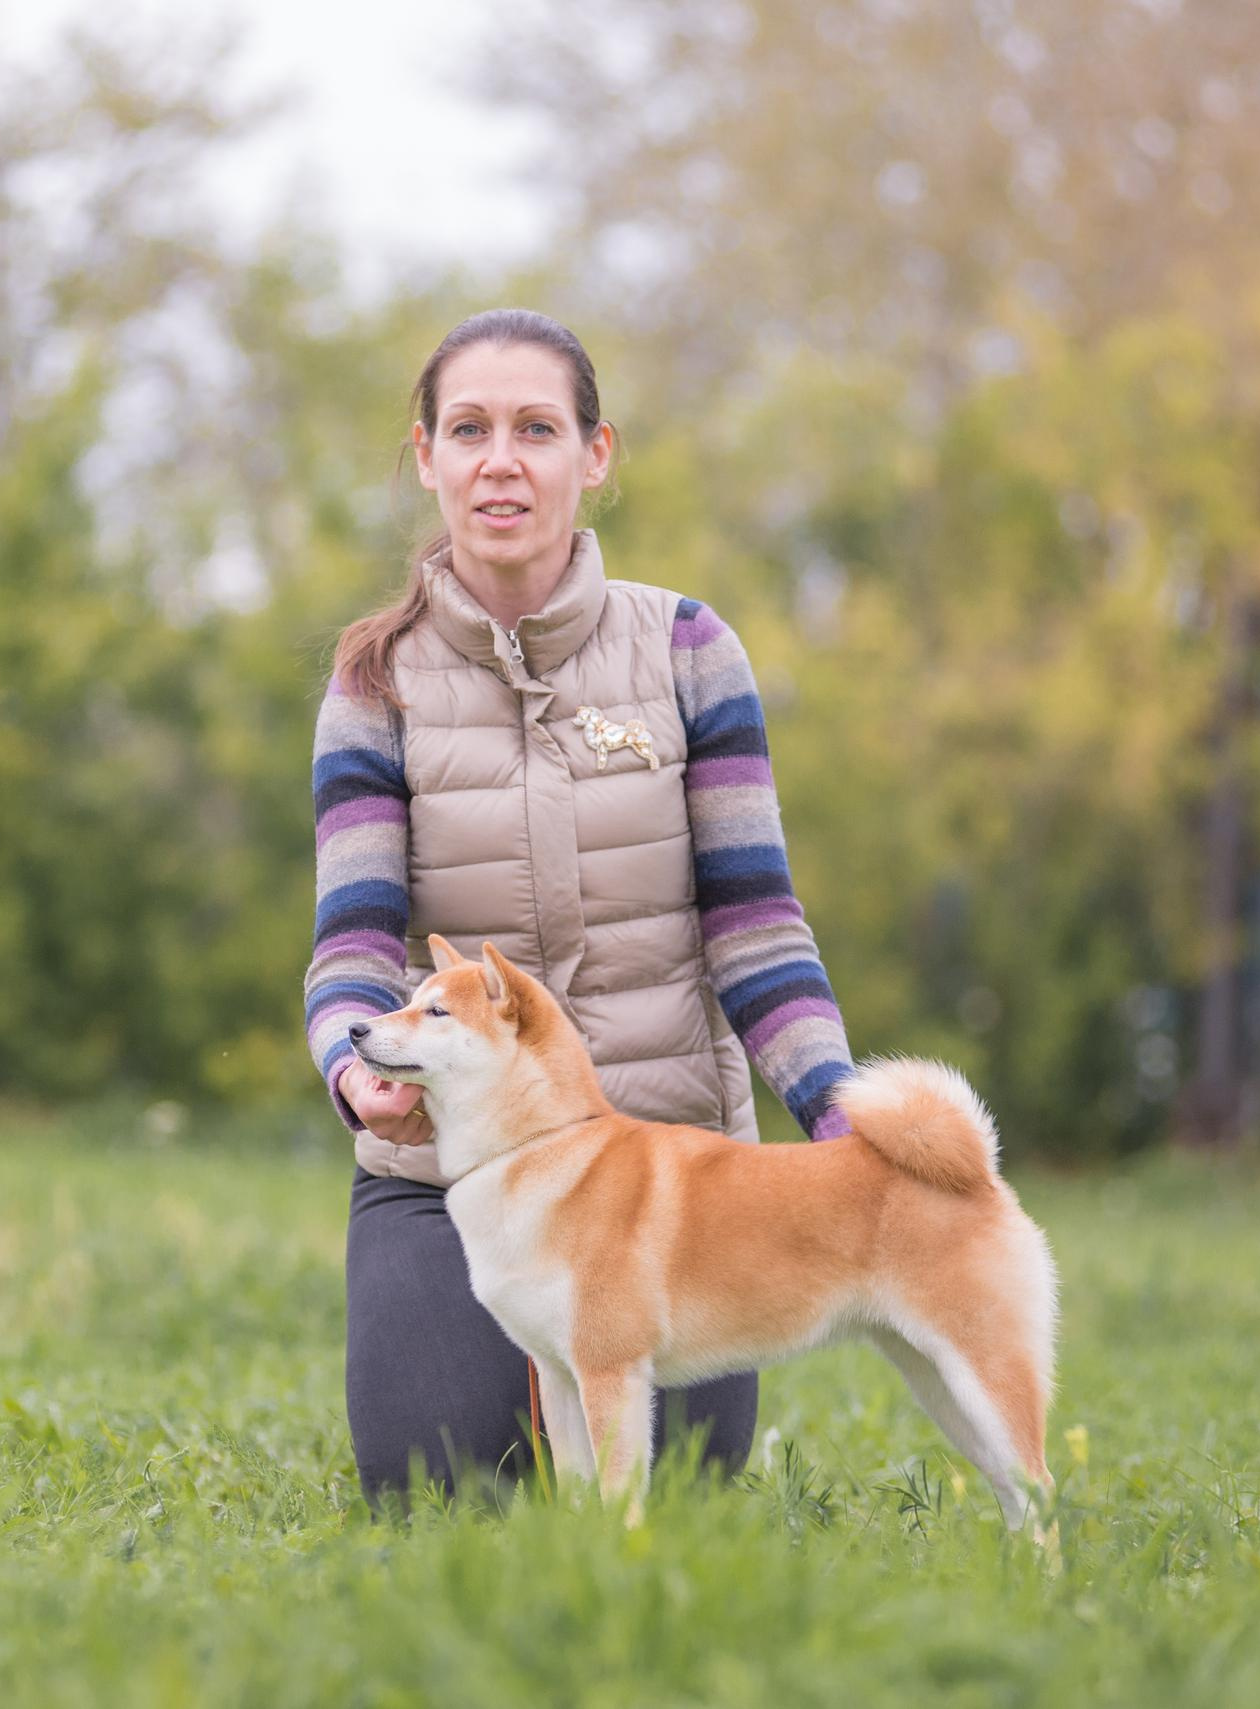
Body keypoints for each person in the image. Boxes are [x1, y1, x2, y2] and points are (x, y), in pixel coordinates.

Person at [304, 308, 859, 1506]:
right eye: (469, 430)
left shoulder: (689, 649)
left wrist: (841, 1118)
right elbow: (352, 941)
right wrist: (353, 1067)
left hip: (673, 1182)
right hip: (443, 1178)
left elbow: (755, 931)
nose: (500, 460)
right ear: (426, 457)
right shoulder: (372, 682)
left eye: (536, 429)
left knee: (677, 1497)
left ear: (594, 454)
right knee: (442, 1491)